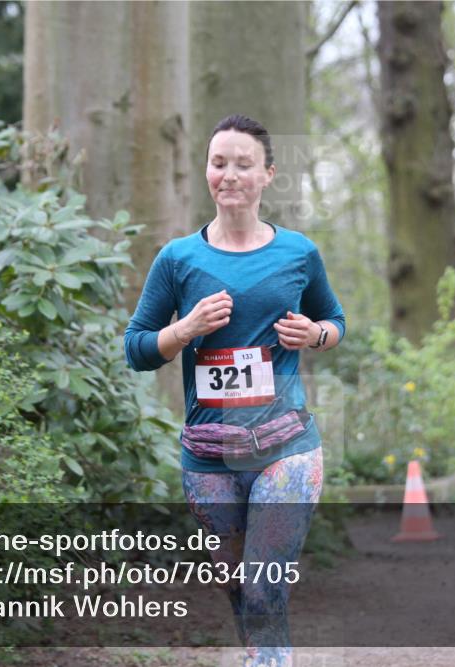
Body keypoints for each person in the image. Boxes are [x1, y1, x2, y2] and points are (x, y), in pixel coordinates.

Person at [123, 114, 346, 667]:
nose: (228, 175)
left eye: (242, 164)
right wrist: (185, 329)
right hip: (208, 457)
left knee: (265, 582)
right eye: (218, 163)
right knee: (238, 587)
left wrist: (316, 334)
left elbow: (335, 320)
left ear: (267, 174)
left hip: (286, 447)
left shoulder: (298, 253)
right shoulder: (178, 259)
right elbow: (136, 349)